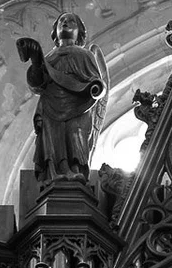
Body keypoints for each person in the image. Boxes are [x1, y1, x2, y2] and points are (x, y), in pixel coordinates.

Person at [17, 12, 109, 184]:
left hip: (78, 104)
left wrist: (95, 88)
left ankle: (75, 169)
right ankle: (54, 171)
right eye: (62, 21)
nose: (65, 23)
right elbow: (37, 84)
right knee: (52, 135)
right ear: (55, 31)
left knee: (75, 134)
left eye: (71, 21)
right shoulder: (50, 57)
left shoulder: (85, 55)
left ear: (79, 31)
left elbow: (96, 82)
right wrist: (36, 60)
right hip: (51, 104)